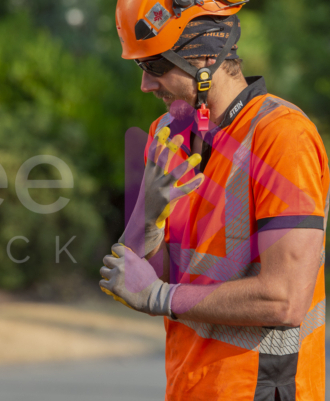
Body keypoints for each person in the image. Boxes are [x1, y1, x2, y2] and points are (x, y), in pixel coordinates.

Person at [99, 1, 329, 399]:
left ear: (204, 56)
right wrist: (147, 216)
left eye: (155, 66)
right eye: (142, 68)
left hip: (262, 389)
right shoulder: (167, 133)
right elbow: (137, 279)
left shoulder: (282, 135)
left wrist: (160, 297)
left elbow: (285, 299)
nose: (146, 85)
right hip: (189, 386)